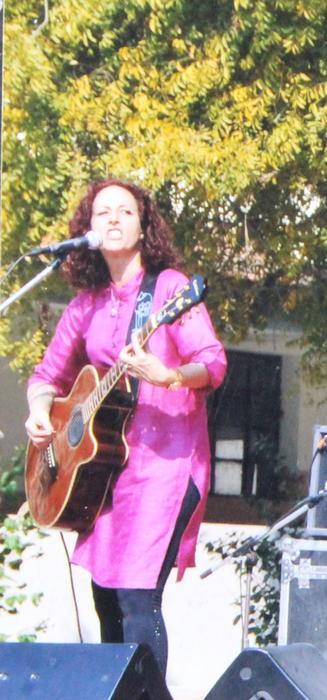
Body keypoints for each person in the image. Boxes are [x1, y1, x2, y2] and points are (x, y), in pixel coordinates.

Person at [25, 179, 227, 677]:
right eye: (102, 213)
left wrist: (169, 375)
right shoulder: (87, 304)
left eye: (125, 211)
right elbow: (46, 377)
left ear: (143, 227)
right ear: (88, 228)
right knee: (106, 600)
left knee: (137, 598)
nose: (113, 219)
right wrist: (40, 412)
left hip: (166, 465)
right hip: (105, 471)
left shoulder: (171, 289)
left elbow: (213, 362)